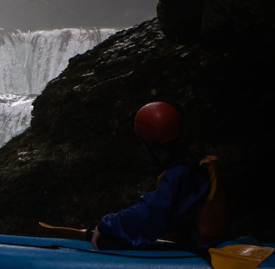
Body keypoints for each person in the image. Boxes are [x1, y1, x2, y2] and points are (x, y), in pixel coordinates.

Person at [91, 101, 228, 251]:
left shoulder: (179, 174)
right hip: (202, 243)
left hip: (199, 249)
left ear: (150, 144)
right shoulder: (195, 163)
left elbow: (152, 213)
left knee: (105, 242)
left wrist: (106, 224)